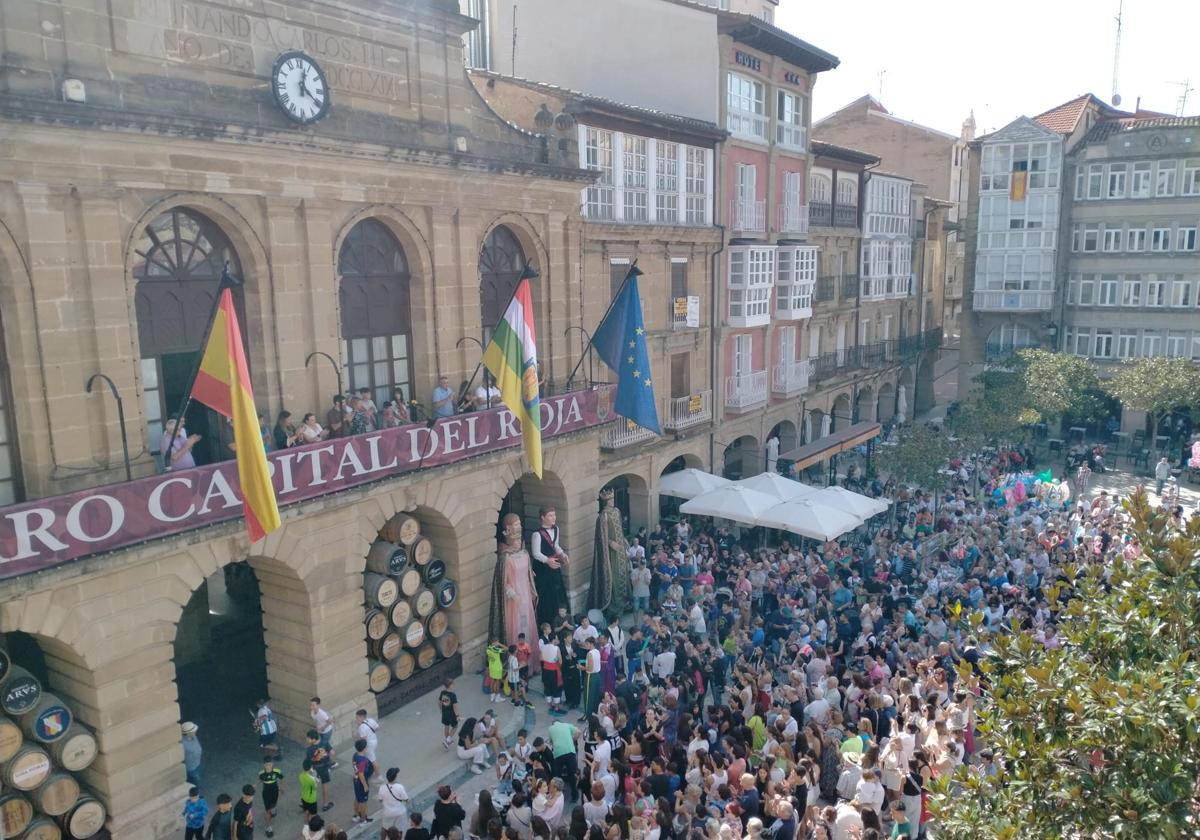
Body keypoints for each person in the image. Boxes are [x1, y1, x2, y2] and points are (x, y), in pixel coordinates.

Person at [488, 513, 541, 677]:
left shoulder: (524, 553)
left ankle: (531, 664)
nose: (518, 542)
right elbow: (502, 582)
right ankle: (517, 667)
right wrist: (511, 593)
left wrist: (531, 585)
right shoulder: (505, 558)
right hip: (513, 601)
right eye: (515, 525)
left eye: (519, 524)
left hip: (525, 595)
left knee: (528, 626)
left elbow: (528, 573)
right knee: (517, 627)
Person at [589, 488, 632, 621]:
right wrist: (610, 542)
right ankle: (614, 608)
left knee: (622, 575)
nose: (612, 501)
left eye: (613, 499)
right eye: (610, 500)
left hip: (620, 552)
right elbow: (601, 536)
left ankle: (624, 604)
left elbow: (620, 529)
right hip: (611, 554)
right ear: (605, 501)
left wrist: (623, 540)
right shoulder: (603, 516)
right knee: (613, 578)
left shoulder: (617, 511)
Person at [530, 508, 570, 628]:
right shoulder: (536, 534)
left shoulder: (556, 529)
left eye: (554, 515)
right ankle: (546, 623)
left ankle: (561, 619)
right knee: (546, 594)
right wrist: (547, 561)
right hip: (542, 568)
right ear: (543, 517)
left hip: (554, 565)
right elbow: (535, 553)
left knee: (557, 592)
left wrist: (563, 554)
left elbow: (555, 545)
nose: (554, 518)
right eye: (550, 515)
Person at [305, 730, 335, 812]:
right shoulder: (325, 743)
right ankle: (325, 804)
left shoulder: (309, 749)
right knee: (324, 786)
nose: (307, 740)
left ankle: (305, 802)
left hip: (314, 769)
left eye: (308, 739)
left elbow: (308, 762)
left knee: (311, 786)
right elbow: (332, 753)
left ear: (313, 739)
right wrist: (326, 756)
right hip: (324, 768)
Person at [378, 767, 409, 837]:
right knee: (399, 829)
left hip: (387, 812)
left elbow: (380, 800)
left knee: (385, 827)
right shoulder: (400, 787)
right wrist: (399, 803)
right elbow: (406, 800)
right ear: (395, 777)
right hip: (399, 813)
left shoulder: (382, 788)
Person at [257, 756, 283, 837]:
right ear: (264, 765)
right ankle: (269, 827)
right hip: (266, 794)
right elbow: (261, 779)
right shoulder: (261, 773)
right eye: (267, 765)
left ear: (273, 764)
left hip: (275, 792)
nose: (268, 766)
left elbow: (282, 778)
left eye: (270, 764)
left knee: (274, 804)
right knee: (268, 811)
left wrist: (282, 787)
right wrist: (255, 785)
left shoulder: (277, 771)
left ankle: (273, 809)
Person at [352, 738, 375, 824]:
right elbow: (361, 774)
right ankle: (363, 818)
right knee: (363, 801)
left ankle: (355, 815)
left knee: (357, 798)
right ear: (364, 748)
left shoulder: (355, 755)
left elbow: (355, 768)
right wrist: (365, 785)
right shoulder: (363, 760)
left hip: (355, 779)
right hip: (361, 782)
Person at [310, 698, 336, 764]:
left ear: (318, 705)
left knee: (322, 748)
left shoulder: (322, 713)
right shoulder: (312, 713)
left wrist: (322, 728)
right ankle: (332, 761)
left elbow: (330, 721)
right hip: (321, 732)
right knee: (326, 746)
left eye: (313, 705)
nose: (311, 707)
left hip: (327, 731)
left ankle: (328, 763)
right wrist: (317, 729)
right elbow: (316, 721)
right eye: (311, 705)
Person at [439, 678, 461, 749]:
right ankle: (448, 740)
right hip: (451, 714)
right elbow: (455, 706)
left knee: (446, 726)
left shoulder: (442, 692)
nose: (454, 685)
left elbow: (439, 702)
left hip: (445, 713)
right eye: (453, 684)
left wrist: (441, 710)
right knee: (455, 726)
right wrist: (457, 715)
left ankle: (448, 741)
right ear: (450, 685)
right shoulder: (452, 695)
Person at [181, 721, 202, 786]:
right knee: (194, 783)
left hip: (197, 762)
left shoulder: (193, 736)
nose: (195, 731)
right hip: (191, 768)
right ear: (188, 733)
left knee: (197, 777)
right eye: (194, 731)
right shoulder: (183, 744)